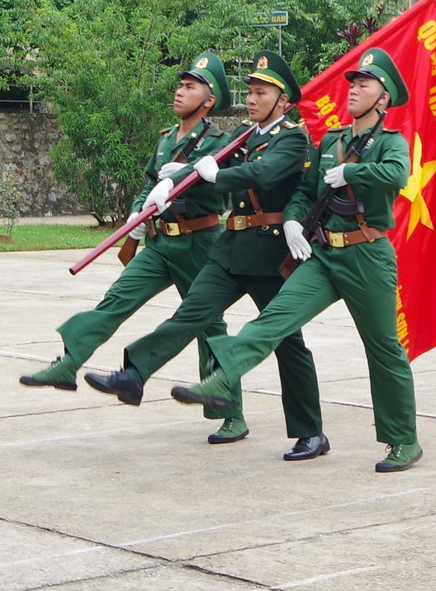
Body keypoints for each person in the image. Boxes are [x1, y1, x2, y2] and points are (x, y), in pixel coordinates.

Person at [174, 47, 422, 472]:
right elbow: (306, 192)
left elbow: (397, 176)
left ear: (384, 98)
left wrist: (353, 173)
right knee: (275, 320)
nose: (354, 91)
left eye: (365, 85)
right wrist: (292, 221)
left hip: (368, 254)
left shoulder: (389, 143)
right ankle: (221, 378)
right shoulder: (331, 142)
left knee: (382, 349)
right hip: (325, 255)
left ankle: (403, 440)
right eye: (353, 84)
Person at [89, 50, 328, 458]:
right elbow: (205, 167)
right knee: (191, 313)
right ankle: (134, 374)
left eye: (261, 92)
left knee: (287, 341)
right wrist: (174, 180)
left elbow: (263, 173)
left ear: (282, 100)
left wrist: (216, 174)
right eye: (250, 91)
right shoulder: (244, 136)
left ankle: (311, 432)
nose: (252, 99)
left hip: (272, 251)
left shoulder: (291, 137)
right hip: (231, 247)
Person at [20, 53, 239, 438]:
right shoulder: (165, 139)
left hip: (200, 242)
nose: (179, 91)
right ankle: (69, 364)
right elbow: (147, 185)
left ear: (208, 100)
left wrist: (188, 175)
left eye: (190, 87)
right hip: (159, 242)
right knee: (116, 299)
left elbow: (219, 184)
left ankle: (231, 412)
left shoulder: (220, 142)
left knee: (208, 323)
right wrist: (136, 218)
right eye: (180, 84)